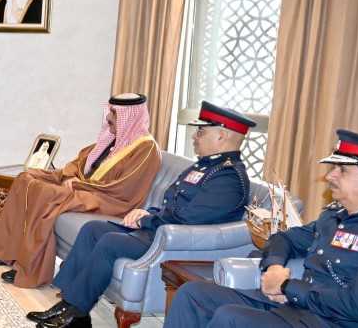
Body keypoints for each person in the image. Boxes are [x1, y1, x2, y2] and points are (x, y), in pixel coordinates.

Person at [165, 129, 358, 328]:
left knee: (231, 318)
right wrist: (275, 268)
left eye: (342, 170)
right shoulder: (335, 217)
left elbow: (356, 306)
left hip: (332, 322)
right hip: (298, 310)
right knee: (193, 294)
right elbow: (285, 239)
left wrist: (288, 286)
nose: (330, 175)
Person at [31, 101, 255, 328]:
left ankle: (74, 313)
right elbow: (175, 207)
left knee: (110, 241)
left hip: (173, 242)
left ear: (221, 136)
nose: (194, 137)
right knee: (93, 229)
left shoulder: (228, 178)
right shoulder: (205, 167)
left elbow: (190, 219)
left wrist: (146, 219)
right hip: (159, 229)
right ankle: (70, 306)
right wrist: (147, 212)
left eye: (201, 132)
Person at [0, 93, 162, 288]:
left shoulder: (146, 149)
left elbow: (123, 187)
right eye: (110, 112)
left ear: (130, 117)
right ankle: (5, 251)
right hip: (87, 189)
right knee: (26, 178)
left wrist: (78, 184)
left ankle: (29, 268)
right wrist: (69, 176)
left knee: (47, 194)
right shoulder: (114, 139)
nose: (109, 118)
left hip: (109, 200)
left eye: (114, 113)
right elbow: (81, 162)